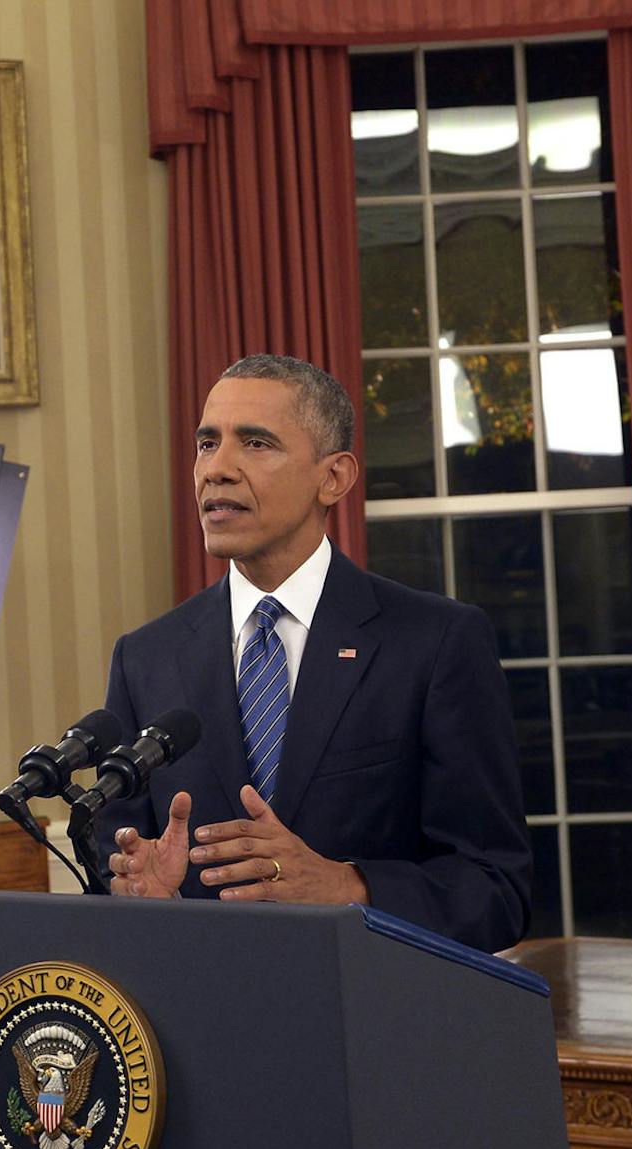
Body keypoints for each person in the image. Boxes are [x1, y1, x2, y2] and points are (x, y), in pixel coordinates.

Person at [99, 353, 532, 952]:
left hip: (376, 1024)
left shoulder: (435, 643)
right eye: (206, 443)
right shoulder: (144, 659)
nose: (216, 470)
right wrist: (148, 901)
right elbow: (113, 880)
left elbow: (497, 890)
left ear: (334, 477)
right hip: (199, 1025)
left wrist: (348, 885)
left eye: (255, 443)